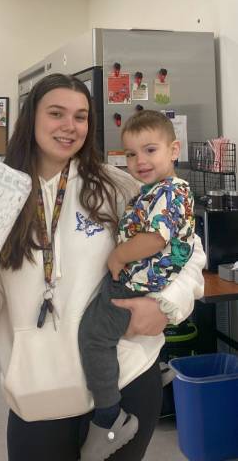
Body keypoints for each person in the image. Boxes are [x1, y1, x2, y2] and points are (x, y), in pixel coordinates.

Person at [0, 73, 205, 461]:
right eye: (56, 113)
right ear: (30, 117)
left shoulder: (116, 187)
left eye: (81, 116)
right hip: (39, 396)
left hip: (127, 380)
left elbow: (189, 250)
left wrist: (166, 305)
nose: (70, 126)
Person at [78, 110, 195, 461]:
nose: (139, 161)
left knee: (94, 335)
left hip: (134, 283)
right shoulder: (155, 188)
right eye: (131, 154)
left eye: (149, 150)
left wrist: (118, 256)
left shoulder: (169, 191)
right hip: (143, 281)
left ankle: (109, 417)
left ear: (173, 150)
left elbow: (155, 239)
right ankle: (155, 364)